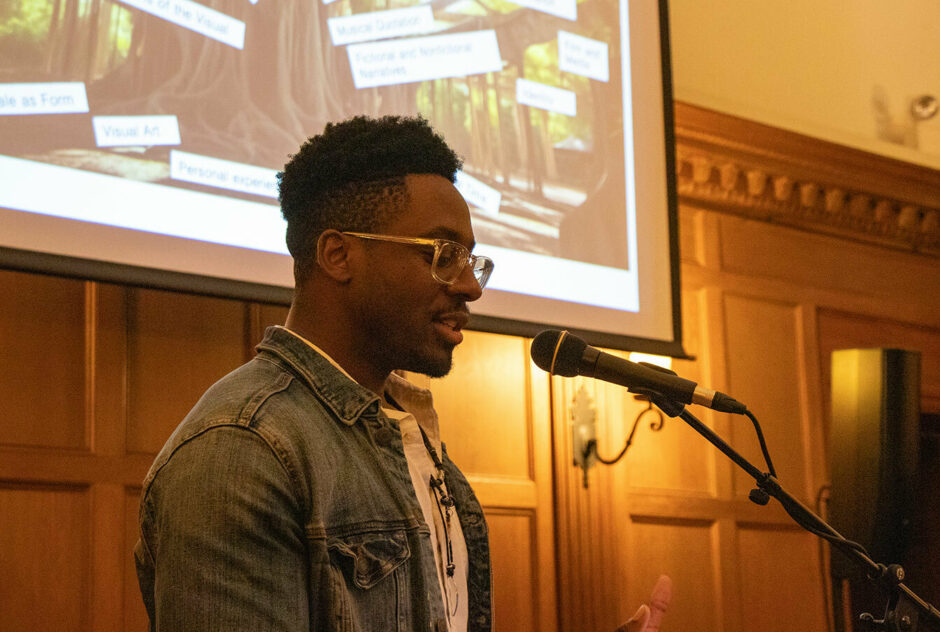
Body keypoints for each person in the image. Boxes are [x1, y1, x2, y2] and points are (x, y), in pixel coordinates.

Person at [135, 114, 494, 631]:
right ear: (338, 254)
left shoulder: (407, 435)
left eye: (471, 260)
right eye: (442, 254)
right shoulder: (242, 450)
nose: (469, 286)